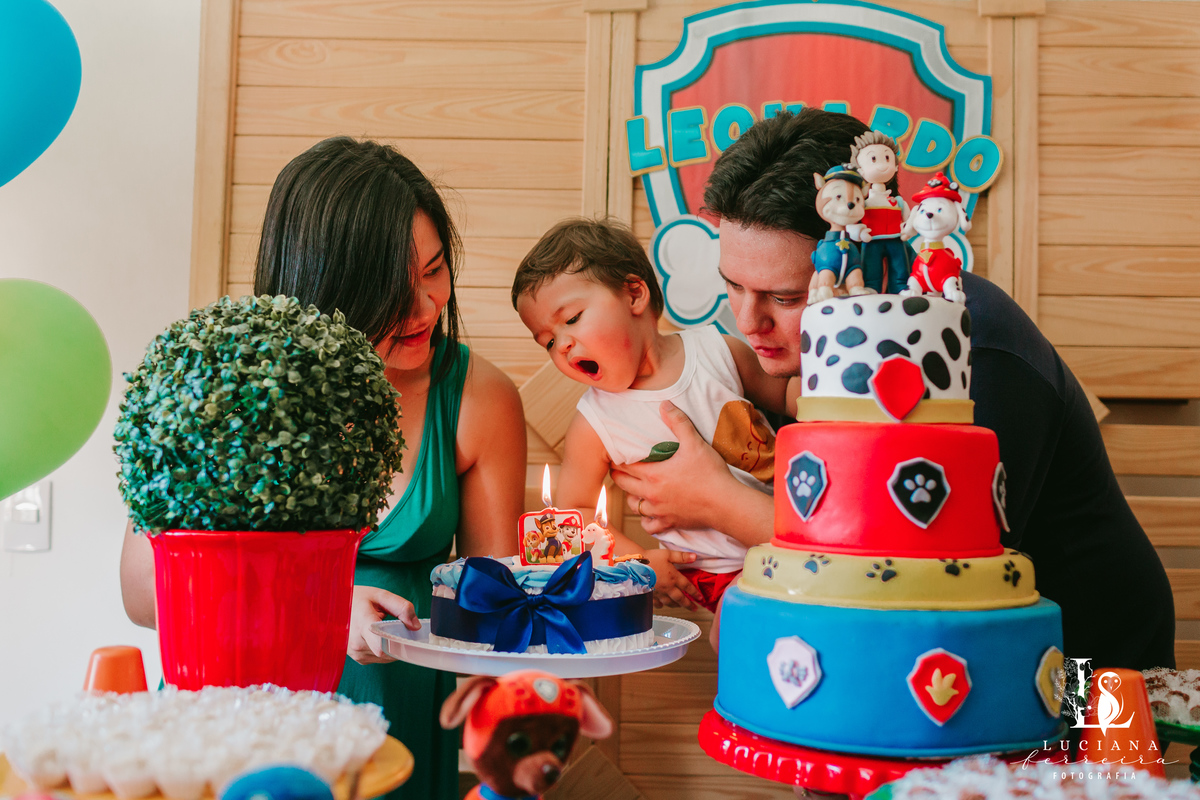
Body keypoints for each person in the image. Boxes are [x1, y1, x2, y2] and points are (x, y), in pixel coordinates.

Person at [611, 108, 1175, 671]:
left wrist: (720, 501)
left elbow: (927, 565)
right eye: (732, 285)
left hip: (1092, 660)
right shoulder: (800, 359)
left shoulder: (966, 348)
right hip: (933, 663)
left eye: (785, 298)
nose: (747, 321)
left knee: (1074, 764)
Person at [119, 137, 527, 799]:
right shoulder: (227, 381)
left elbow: (492, 611)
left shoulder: (480, 398)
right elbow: (143, 594)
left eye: (434, 269)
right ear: (321, 286)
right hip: (236, 726)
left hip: (393, 737)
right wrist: (323, 610)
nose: (425, 306)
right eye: (392, 289)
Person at [512, 218, 790, 623]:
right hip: (715, 577)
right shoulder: (594, 423)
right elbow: (574, 514)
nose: (563, 345)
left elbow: (787, 395)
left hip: (790, 532)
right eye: (549, 342)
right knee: (747, 646)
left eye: (571, 319)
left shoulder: (717, 350)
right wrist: (637, 560)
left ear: (634, 294)